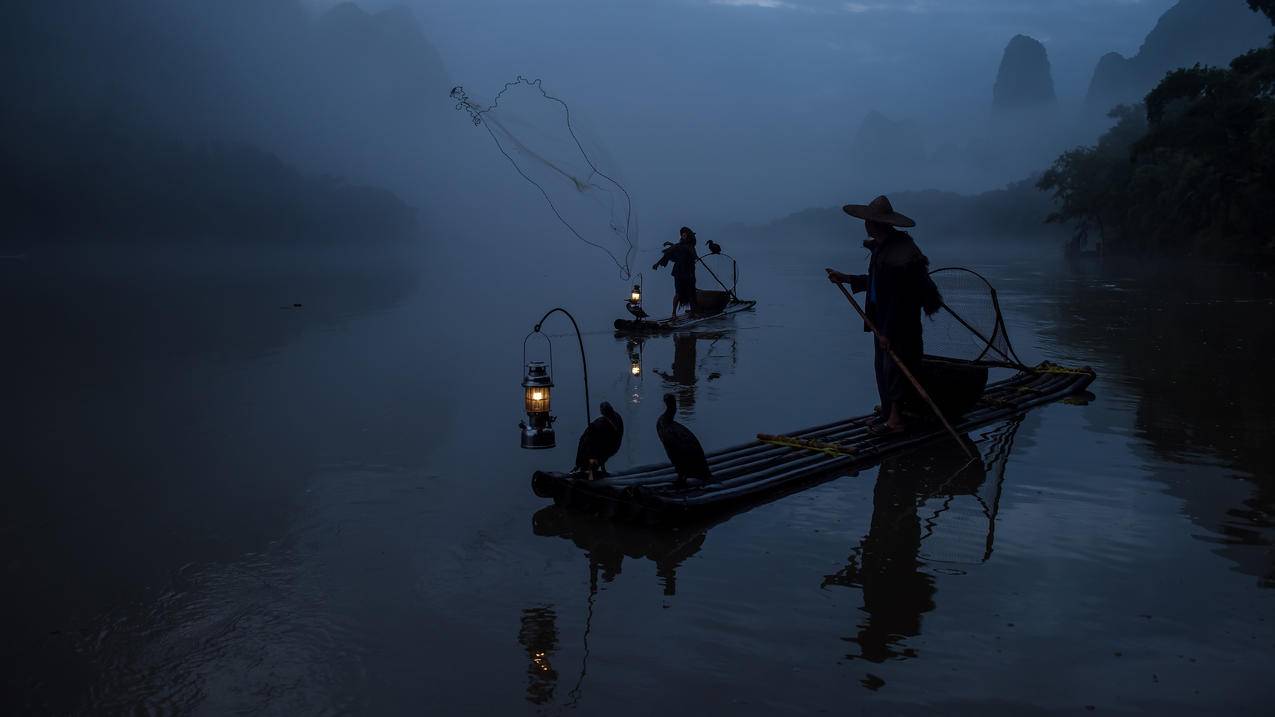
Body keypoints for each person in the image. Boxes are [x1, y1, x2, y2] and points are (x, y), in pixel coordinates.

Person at [826, 196, 941, 435]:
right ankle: (891, 413)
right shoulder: (884, 248)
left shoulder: (900, 253)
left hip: (899, 322)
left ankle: (896, 421)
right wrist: (846, 278)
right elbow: (878, 283)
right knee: (883, 368)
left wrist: (888, 332)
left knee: (895, 369)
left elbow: (899, 299)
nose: (867, 225)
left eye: (869, 221)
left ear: (876, 224)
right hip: (884, 321)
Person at [653, 227, 699, 317]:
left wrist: (693, 257)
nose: (684, 236)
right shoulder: (679, 245)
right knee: (678, 293)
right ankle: (673, 313)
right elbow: (669, 253)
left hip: (689, 272)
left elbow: (694, 256)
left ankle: (693, 312)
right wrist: (657, 264)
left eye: (686, 235)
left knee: (691, 292)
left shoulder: (690, 246)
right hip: (679, 272)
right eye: (683, 235)